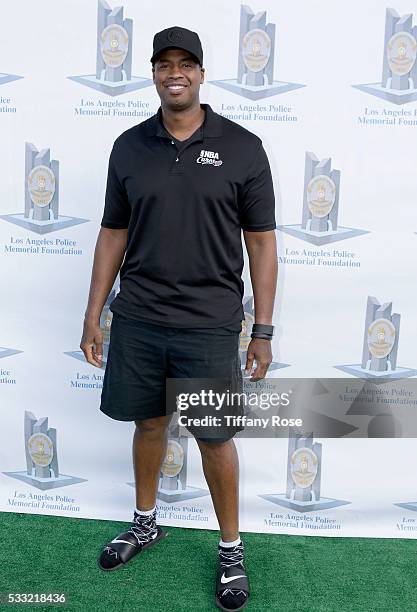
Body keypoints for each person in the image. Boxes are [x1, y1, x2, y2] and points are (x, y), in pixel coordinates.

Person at [80, 25, 277, 612]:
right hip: (138, 318)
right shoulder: (129, 145)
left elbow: (262, 244)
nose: (175, 73)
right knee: (148, 426)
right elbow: (112, 231)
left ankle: (231, 548)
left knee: (215, 439)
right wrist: (95, 314)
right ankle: (145, 523)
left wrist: (261, 330)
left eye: (185, 63)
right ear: (153, 73)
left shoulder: (243, 147)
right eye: (164, 64)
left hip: (210, 323)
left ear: (201, 72)